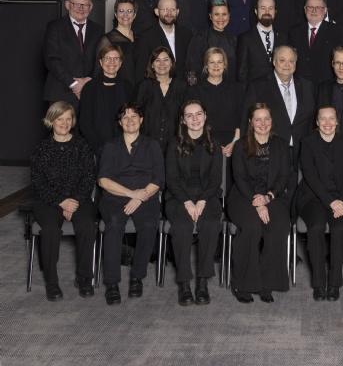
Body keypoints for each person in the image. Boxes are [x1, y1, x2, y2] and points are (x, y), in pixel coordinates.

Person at [30, 102, 98, 301]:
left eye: (69, 119)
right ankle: (52, 282)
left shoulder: (82, 146)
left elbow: (88, 178)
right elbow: (39, 183)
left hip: (79, 198)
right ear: (51, 121)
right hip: (48, 201)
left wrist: (73, 201)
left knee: (87, 225)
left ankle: (84, 277)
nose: (65, 123)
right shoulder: (41, 149)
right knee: (50, 229)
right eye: (60, 119)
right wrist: (62, 201)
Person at [98, 103, 164, 305]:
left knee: (149, 225)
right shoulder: (111, 146)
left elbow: (159, 178)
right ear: (119, 122)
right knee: (114, 223)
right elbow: (103, 180)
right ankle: (112, 283)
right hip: (115, 197)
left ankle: (137, 277)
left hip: (145, 196)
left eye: (134, 116)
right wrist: (130, 194)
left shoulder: (152, 145)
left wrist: (139, 197)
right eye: (125, 117)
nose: (130, 120)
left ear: (141, 120)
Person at [228, 103, 292, 304]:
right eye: (258, 119)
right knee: (252, 226)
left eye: (266, 119)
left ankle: (266, 282)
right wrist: (258, 202)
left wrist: (268, 197)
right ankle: (242, 283)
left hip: (273, 195)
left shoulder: (281, 145)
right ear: (251, 122)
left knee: (279, 225)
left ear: (272, 121)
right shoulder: (240, 145)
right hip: (243, 196)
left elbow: (284, 177)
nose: (262, 123)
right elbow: (240, 178)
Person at [296, 106, 343, 302]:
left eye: (331, 118)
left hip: (342, 198)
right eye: (323, 119)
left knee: (339, 228)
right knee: (316, 226)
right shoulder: (307, 143)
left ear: (337, 121)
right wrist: (331, 202)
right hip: (313, 197)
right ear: (317, 122)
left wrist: (342, 202)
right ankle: (318, 283)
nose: (327, 123)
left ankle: (334, 283)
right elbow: (311, 177)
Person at [165, 100, 223, 306]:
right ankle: (184, 283)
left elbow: (215, 179)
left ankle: (202, 282)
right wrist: (187, 202)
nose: (195, 119)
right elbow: (172, 179)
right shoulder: (174, 144)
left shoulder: (214, 143)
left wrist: (203, 200)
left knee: (211, 224)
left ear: (205, 116)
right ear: (183, 120)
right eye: (189, 115)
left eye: (199, 114)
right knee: (182, 226)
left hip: (208, 196)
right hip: (179, 196)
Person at [242, 45, 316, 167]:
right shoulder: (257, 87)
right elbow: (247, 120)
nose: (287, 64)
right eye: (282, 60)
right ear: (274, 61)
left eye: (291, 60)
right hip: (267, 156)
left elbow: (311, 121)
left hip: (301, 157)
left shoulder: (307, 86)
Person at [43, 0, 102, 113]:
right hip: (60, 93)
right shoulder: (55, 27)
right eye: (76, 4)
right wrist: (74, 84)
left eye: (85, 5)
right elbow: (51, 59)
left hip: (89, 92)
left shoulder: (98, 30)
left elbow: (101, 59)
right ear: (68, 5)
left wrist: (87, 81)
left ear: (90, 7)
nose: (81, 8)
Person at [187, 47, 243, 166]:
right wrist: (210, 145)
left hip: (233, 145)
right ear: (206, 65)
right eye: (212, 62)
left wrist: (234, 143)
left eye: (219, 62)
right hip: (204, 145)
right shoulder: (194, 91)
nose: (216, 66)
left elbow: (241, 119)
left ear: (225, 64)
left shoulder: (237, 89)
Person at [79, 44, 134, 156]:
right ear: (100, 62)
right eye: (107, 58)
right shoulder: (90, 87)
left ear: (121, 62)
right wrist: (101, 147)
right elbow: (85, 123)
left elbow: (132, 119)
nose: (111, 62)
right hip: (97, 148)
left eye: (116, 58)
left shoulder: (128, 87)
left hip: (125, 147)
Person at [134, 46, 187, 154]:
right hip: (147, 148)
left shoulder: (183, 87)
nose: (162, 64)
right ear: (152, 65)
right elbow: (135, 116)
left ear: (172, 63)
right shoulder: (143, 87)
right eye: (157, 60)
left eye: (166, 60)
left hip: (176, 148)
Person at [288, 0, 343, 88]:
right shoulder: (294, 32)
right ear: (305, 9)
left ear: (325, 10)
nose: (314, 10)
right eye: (310, 7)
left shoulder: (336, 31)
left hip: (325, 87)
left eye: (318, 7)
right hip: (299, 86)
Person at [134, 0, 193, 84]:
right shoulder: (145, 37)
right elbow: (140, 70)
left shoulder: (187, 35)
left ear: (177, 12)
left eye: (172, 9)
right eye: (165, 9)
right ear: (157, 12)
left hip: (183, 88)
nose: (169, 13)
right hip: (156, 88)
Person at [185, 0, 238, 83]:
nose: (221, 18)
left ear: (229, 16)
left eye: (224, 14)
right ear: (210, 16)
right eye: (216, 14)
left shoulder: (234, 40)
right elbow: (191, 70)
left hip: (230, 87)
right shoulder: (199, 39)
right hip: (204, 88)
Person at [236, 0, 286, 85]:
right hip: (254, 91)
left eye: (271, 8)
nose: (267, 12)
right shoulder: (245, 38)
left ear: (275, 11)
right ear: (256, 11)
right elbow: (241, 74)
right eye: (263, 8)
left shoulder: (283, 38)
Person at [96, 0, 137, 85]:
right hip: (118, 88)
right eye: (121, 11)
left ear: (134, 15)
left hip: (140, 88)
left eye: (129, 11)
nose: (125, 15)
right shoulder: (107, 39)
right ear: (115, 14)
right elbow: (98, 70)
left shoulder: (139, 37)